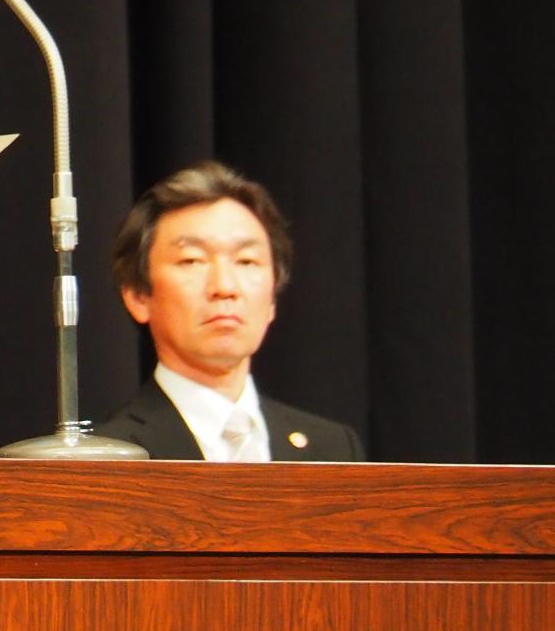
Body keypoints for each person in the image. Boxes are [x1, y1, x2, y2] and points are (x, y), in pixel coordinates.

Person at [95, 161, 364, 461]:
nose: (225, 286)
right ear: (138, 296)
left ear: (273, 296)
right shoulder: (112, 457)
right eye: (192, 261)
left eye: (247, 261)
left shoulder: (332, 448)